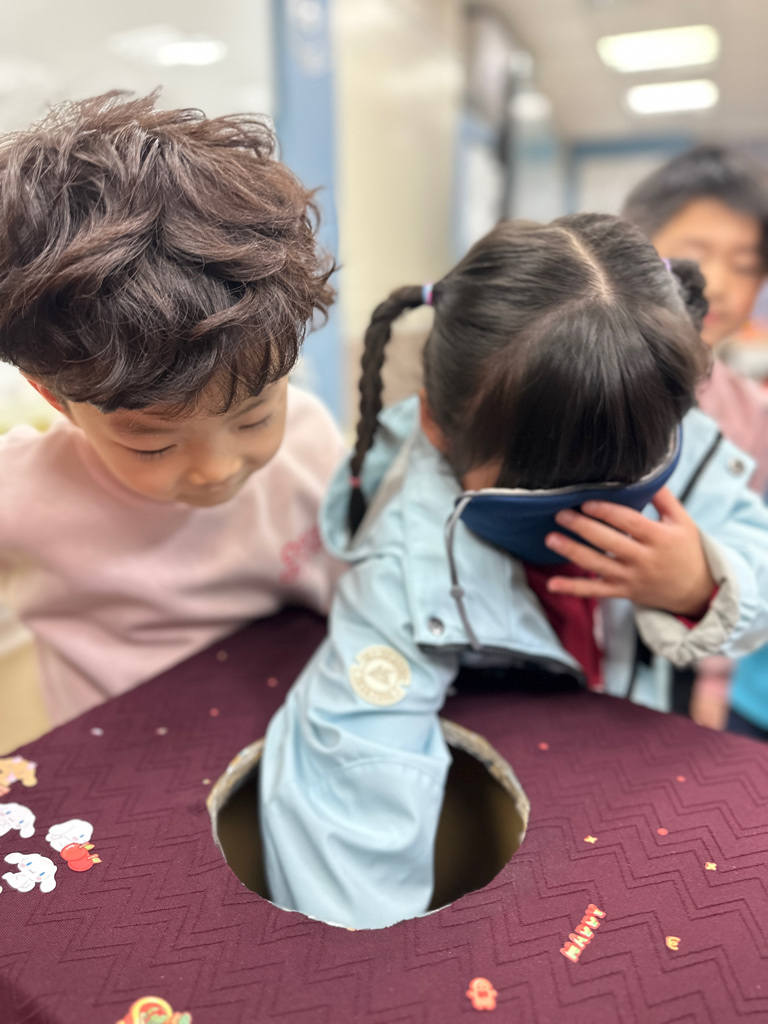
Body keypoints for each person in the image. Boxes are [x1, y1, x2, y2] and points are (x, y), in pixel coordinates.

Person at [259, 214, 768, 930]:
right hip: (511, 799)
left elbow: (756, 568)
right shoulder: (406, 560)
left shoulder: (685, 448)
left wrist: (701, 582)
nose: (587, 519)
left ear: (674, 420)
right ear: (437, 427)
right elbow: (354, 765)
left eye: (625, 485)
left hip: (638, 752)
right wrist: (381, 956)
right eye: (543, 492)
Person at [0, 92, 346, 727]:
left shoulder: (310, 439)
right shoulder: (19, 491)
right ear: (55, 399)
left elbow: (357, 575)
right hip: (116, 755)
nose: (217, 469)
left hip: (295, 723)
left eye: (255, 417)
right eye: (153, 445)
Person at [624, 146, 768, 727]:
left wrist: (716, 682)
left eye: (746, 264)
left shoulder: (750, 413)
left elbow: (746, 545)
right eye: (697, 253)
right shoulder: (590, 376)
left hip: (681, 650)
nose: (721, 284)